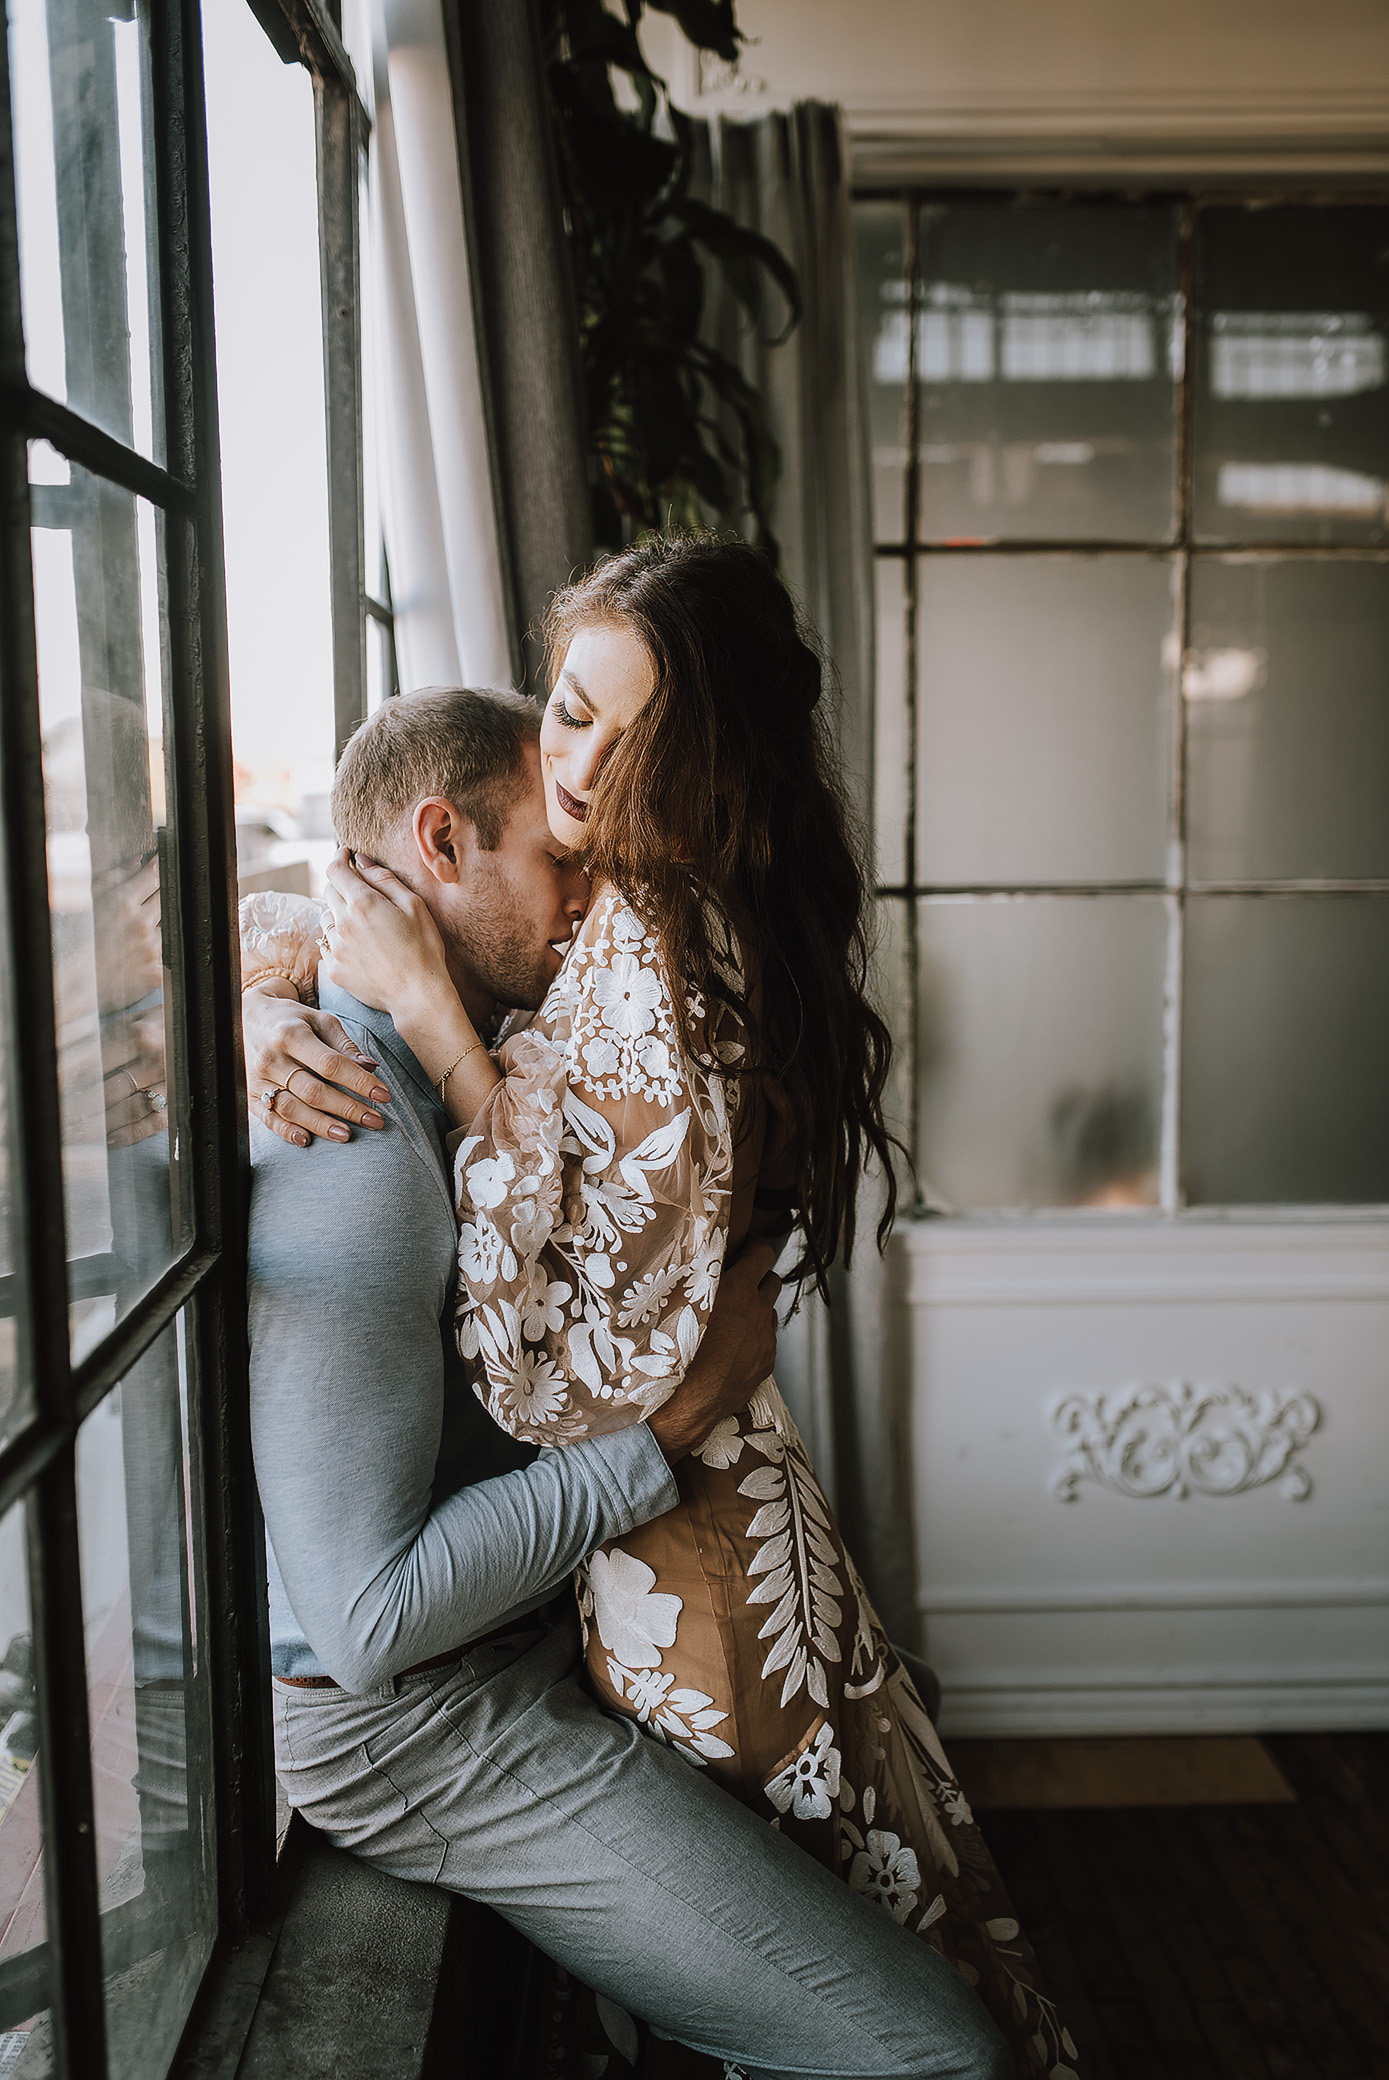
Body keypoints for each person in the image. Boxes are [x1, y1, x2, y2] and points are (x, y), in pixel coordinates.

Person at [243, 542, 1073, 2077]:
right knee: (935, 2056)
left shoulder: (602, 984)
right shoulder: (352, 1147)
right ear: (438, 847)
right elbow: (363, 1630)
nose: (590, 870)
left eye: (628, 766)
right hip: (425, 1718)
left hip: (537, 1631)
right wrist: (668, 1435)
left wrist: (304, 982)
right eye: (563, 840)